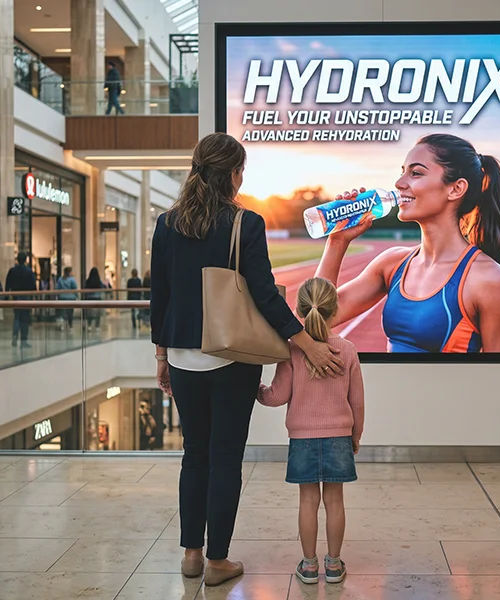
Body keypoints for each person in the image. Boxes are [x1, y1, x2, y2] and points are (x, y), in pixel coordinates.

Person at [151, 132, 344, 587]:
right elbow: (263, 295)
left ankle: (192, 557)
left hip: (182, 353)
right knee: (224, 459)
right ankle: (218, 561)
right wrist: (306, 342)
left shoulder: (166, 223)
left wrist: (161, 353)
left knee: (193, 455)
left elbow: (160, 295)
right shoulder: (245, 223)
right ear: (234, 175)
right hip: (233, 356)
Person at [315, 133, 500, 353]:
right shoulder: (392, 263)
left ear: (456, 189)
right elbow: (314, 321)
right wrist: (337, 241)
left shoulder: (489, 279)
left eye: (416, 173)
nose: (399, 183)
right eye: (402, 172)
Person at [257, 277, 364, 586]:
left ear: (299, 312)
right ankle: (333, 566)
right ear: (335, 310)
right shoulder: (348, 350)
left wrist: (256, 388)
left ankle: (308, 565)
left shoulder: (292, 351)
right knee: (334, 501)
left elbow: (276, 396)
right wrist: (355, 435)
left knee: (307, 501)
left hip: (301, 440)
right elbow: (357, 402)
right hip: (339, 438)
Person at [5, 252, 36, 348]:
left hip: (16, 296)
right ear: (26, 259)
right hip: (26, 297)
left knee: (17, 317)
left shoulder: (12, 271)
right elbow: (33, 286)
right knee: (25, 319)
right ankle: (23, 340)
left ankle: (14, 338)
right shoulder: (29, 271)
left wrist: (7, 296)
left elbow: (7, 284)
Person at [56, 266, 79, 331]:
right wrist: (77, 296)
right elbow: (75, 288)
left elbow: (57, 288)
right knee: (70, 313)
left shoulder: (60, 279)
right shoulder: (72, 279)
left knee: (62, 312)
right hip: (71, 298)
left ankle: (62, 325)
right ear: (69, 272)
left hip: (62, 297)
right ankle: (70, 325)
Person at [84, 267, 105, 332]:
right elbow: (103, 287)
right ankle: (97, 326)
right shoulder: (99, 281)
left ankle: (89, 325)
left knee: (89, 313)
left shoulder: (88, 281)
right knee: (98, 313)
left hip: (89, 299)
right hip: (97, 298)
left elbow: (85, 289)